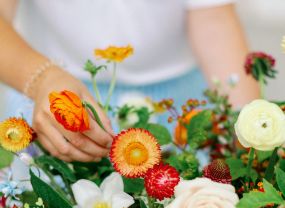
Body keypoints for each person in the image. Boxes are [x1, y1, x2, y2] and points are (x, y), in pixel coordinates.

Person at [0, 0, 259, 162]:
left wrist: (253, 139)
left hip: (176, 108)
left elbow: (214, 23)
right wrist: (41, 79)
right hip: (55, 97)